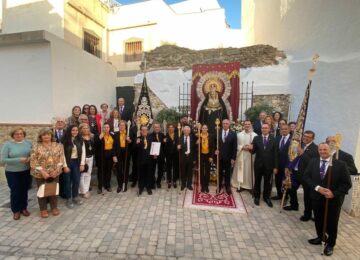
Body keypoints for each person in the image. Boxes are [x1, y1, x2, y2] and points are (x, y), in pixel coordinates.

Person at [303, 143, 352, 256]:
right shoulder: (313, 161)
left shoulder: (340, 165)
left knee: (332, 223)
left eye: (325, 149)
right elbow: (306, 176)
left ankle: (330, 244)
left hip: (333, 200)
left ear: (330, 150)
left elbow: (346, 184)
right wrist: (317, 188)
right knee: (318, 220)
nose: (322, 151)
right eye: (320, 149)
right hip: (316, 197)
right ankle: (321, 238)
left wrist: (333, 193)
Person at [30, 128, 65, 218]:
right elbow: (33, 160)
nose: (46, 136)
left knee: (53, 190)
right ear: (40, 136)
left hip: (55, 173)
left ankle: (54, 207)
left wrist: (57, 170)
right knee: (42, 191)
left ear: (51, 136)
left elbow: (61, 158)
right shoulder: (36, 146)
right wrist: (42, 172)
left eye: (48, 134)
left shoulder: (58, 145)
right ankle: (43, 209)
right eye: (44, 134)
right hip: (40, 173)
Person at [0, 128, 32, 220]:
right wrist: (19, 159)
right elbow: (3, 160)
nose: (19, 135)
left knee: (24, 190)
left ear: (24, 135)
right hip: (12, 172)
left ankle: (24, 208)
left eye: (21, 134)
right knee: (15, 191)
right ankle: (16, 210)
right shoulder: (7, 145)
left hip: (26, 171)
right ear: (13, 135)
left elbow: (33, 154)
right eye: (16, 134)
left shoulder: (28, 143)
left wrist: (30, 158)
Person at [285, 130, 318, 218]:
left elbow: (312, 162)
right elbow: (293, 157)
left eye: (308, 137)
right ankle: (294, 205)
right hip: (295, 172)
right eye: (305, 136)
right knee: (291, 189)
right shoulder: (300, 145)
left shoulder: (315, 148)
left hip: (306, 175)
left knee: (307, 195)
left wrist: (302, 153)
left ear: (313, 139)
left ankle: (307, 214)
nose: (306, 138)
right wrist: (289, 167)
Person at [250, 123, 278, 207]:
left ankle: (266, 197)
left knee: (267, 182)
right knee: (257, 181)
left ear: (269, 129)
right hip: (258, 164)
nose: (264, 129)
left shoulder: (273, 139)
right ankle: (257, 197)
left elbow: (276, 154)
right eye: (263, 128)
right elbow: (253, 151)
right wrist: (250, 148)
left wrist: (276, 166)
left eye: (266, 128)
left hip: (269, 166)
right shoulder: (256, 138)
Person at [62, 125, 86, 208]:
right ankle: (68, 198)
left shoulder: (80, 140)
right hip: (68, 162)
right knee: (67, 181)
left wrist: (82, 164)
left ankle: (75, 196)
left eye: (76, 130)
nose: (75, 132)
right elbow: (62, 154)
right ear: (69, 131)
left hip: (77, 162)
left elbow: (83, 152)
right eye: (73, 130)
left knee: (76, 180)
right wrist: (65, 166)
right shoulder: (64, 141)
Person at [231, 120, 257, 192]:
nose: (247, 126)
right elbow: (236, 145)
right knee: (241, 170)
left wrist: (251, 147)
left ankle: (249, 185)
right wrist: (242, 147)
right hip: (241, 155)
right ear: (243, 125)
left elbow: (256, 146)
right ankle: (240, 185)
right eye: (246, 124)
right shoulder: (239, 135)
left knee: (249, 170)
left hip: (250, 155)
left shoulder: (255, 135)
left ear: (251, 125)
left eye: (249, 124)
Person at [214, 119, 237, 195]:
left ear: (229, 124)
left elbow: (235, 147)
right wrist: (215, 150)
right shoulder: (218, 132)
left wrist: (233, 158)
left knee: (228, 173)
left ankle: (227, 187)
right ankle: (219, 186)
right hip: (220, 157)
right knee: (219, 172)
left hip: (228, 158)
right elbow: (214, 143)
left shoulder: (233, 134)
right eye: (223, 123)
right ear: (222, 124)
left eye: (226, 123)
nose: (225, 125)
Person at [272, 124, 292, 200]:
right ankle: (279, 195)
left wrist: (289, 166)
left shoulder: (293, 140)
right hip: (278, 165)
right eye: (282, 129)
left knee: (286, 182)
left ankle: (285, 196)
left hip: (287, 166)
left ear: (289, 130)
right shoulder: (277, 138)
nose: (284, 130)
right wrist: (275, 166)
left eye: (285, 129)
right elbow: (275, 153)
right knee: (278, 181)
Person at [97, 122, 117, 193]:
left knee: (108, 171)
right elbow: (96, 145)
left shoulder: (112, 135)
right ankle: (100, 186)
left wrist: (114, 155)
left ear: (109, 128)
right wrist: (99, 138)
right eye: (104, 127)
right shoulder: (99, 135)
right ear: (103, 128)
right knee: (101, 171)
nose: (106, 128)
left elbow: (114, 146)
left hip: (110, 155)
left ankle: (107, 185)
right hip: (102, 155)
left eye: (107, 127)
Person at [79, 123, 96, 199]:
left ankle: (86, 189)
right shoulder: (79, 138)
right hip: (83, 159)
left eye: (87, 128)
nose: (86, 129)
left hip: (90, 158)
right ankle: (83, 191)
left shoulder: (91, 137)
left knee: (88, 174)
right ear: (81, 129)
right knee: (82, 175)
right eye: (84, 128)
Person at [114, 121, 131, 193]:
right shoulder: (116, 134)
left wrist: (129, 140)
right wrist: (114, 155)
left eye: (123, 125)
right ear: (119, 126)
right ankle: (120, 185)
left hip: (126, 153)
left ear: (125, 126)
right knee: (119, 170)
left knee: (126, 169)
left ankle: (125, 184)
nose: (122, 127)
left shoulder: (128, 133)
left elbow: (132, 143)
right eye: (120, 125)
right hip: (118, 153)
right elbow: (113, 146)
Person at [177, 125, 196, 191]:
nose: (186, 131)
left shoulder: (192, 138)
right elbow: (178, 149)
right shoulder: (180, 138)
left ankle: (189, 184)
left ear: (190, 131)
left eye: (188, 130)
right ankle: (183, 184)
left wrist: (194, 159)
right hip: (183, 158)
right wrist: (178, 148)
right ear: (183, 131)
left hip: (190, 158)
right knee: (183, 172)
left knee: (190, 172)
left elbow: (194, 149)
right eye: (185, 130)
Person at [136, 125, 153, 195]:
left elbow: (153, 147)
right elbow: (134, 149)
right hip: (140, 160)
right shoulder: (138, 138)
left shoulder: (151, 138)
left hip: (149, 160)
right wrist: (137, 143)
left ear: (147, 131)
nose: (144, 131)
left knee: (149, 174)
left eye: (145, 130)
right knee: (141, 174)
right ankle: (141, 187)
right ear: (140, 131)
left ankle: (148, 187)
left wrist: (155, 154)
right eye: (142, 130)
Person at [197, 124, 214, 193]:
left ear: (207, 129)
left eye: (205, 128)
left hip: (208, 155)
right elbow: (195, 148)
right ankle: (202, 185)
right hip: (201, 155)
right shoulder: (198, 136)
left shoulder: (210, 136)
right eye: (203, 128)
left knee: (207, 171)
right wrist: (197, 143)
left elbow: (213, 147)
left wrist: (211, 156)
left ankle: (206, 185)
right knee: (201, 170)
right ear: (201, 129)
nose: (204, 129)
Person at [150, 123, 165, 189]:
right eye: (155, 127)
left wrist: (165, 141)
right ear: (153, 128)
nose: (157, 128)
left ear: (160, 128)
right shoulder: (149, 136)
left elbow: (165, 146)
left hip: (161, 156)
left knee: (160, 170)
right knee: (152, 170)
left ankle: (158, 182)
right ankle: (152, 182)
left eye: (158, 127)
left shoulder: (162, 135)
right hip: (153, 156)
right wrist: (153, 154)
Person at [164, 123, 179, 189]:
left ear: (174, 128)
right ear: (168, 129)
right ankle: (169, 181)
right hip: (168, 154)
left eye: (172, 127)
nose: (171, 128)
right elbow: (164, 146)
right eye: (169, 127)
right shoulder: (165, 136)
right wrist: (164, 142)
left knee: (175, 167)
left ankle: (174, 181)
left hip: (176, 154)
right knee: (168, 168)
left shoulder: (177, 135)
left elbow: (179, 143)